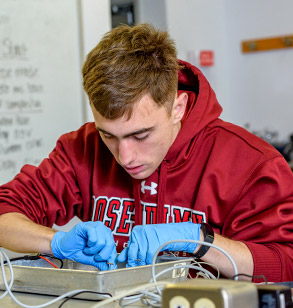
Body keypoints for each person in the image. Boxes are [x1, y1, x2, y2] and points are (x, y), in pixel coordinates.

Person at [0, 23, 292, 282]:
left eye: (141, 135)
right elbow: (4, 213)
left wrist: (202, 242)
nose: (125, 157)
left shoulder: (253, 164)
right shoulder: (82, 147)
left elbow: (286, 264)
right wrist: (56, 242)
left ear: (177, 108)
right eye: (109, 135)